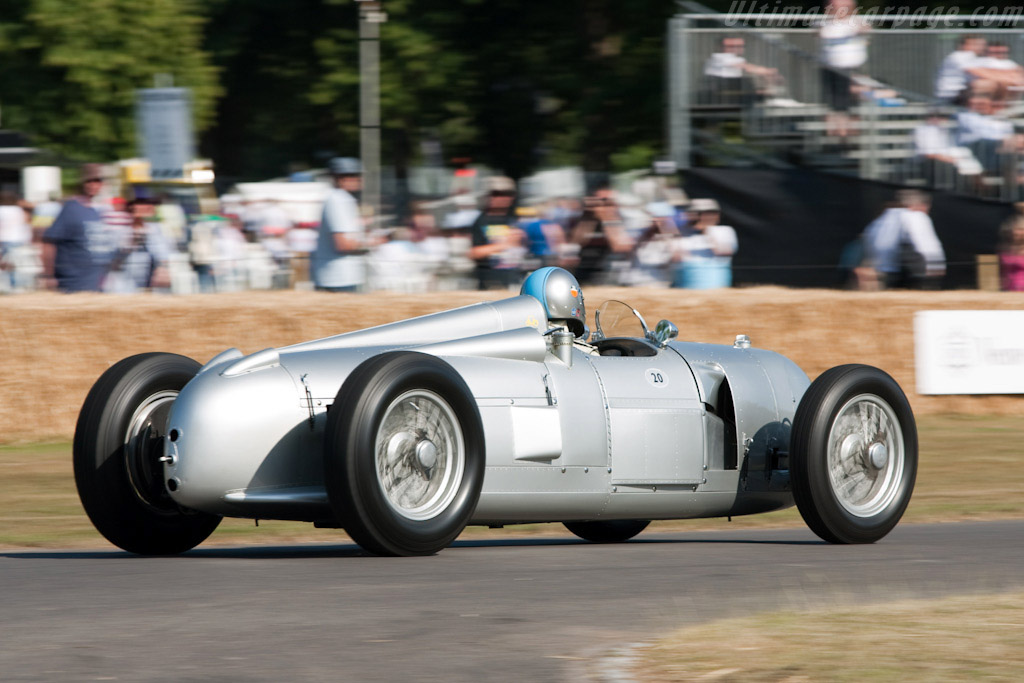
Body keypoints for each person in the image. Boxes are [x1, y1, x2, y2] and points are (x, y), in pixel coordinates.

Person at [41, 164, 117, 292]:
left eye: (97, 181)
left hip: (96, 283)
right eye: (89, 181)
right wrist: (49, 275)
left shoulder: (97, 211)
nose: (93, 185)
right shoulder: (71, 208)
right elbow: (49, 243)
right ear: (82, 183)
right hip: (74, 284)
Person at [862, 190, 945, 289]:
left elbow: (869, 241)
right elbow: (926, 243)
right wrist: (935, 266)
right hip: (915, 270)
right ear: (919, 205)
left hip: (885, 269)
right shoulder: (916, 216)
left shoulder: (880, 219)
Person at [312, 157, 366, 292]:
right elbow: (343, 244)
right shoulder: (338, 200)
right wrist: (373, 242)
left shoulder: (340, 199)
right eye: (356, 175)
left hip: (340, 277)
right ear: (343, 178)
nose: (360, 179)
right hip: (338, 279)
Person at [819, 0, 869, 136]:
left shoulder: (856, 21)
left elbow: (865, 29)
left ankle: (846, 134)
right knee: (833, 103)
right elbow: (821, 33)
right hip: (831, 67)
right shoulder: (826, 22)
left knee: (848, 102)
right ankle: (835, 133)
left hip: (850, 67)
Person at [468, 176, 525, 290]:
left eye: (507, 194)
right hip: (490, 283)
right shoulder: (481, 221)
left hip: (516, 280)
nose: (502, 198)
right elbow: (474, 253)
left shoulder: (516, 218)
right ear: (488, 196)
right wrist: (505, 245)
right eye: (496, 194)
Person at [104, 198, 172, 293]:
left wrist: (163, 268)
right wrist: (131, 238)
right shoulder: (121, 228)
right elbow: (116, 251)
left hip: (150, 277)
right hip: (125, 279)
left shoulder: (156, 229)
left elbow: (163, 252)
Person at [672, 198, 738, 289]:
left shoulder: (723, 231)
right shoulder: (683, 236)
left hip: (715, 287)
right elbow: (676, 258)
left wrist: (706, 228)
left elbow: (723, 251)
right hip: (686, 287)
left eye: (710, 214)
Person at [914, 110, 982, 184]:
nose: (937, 119)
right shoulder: (923, 130)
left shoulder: (945, 130)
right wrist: (952, 159)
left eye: (941, 117)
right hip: (931, 162)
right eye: (934, 117)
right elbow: (928, 154)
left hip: (947, 159)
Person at [935, 35, 987, 103]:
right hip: (952, 95)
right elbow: (981, 73)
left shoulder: (976, 58)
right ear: (963, 45)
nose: (980, 47)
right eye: (976, 44)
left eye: (982, 45)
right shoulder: (959, 55)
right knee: (986, 84)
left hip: (964, 93)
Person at [998, 208, 1024, 291]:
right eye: (1014, 229)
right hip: (1009, 290)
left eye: (1020, 229)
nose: (1016, 232)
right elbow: (1002, 271)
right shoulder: (1004, 247)